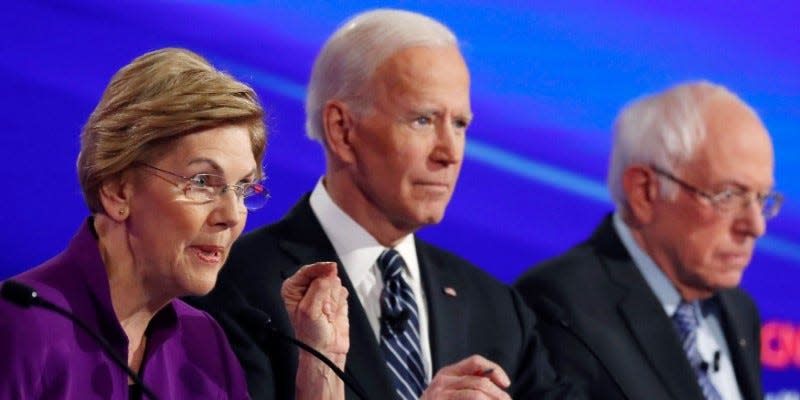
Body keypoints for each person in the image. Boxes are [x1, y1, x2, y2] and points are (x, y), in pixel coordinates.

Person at [188, 8, 581, 400]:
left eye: (460, 124)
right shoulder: (237, 289)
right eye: (423, 120)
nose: (450, 153)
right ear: (342, 130)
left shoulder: (496, 308)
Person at [0, 48, 348, 400]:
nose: (230, 215)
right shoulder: (19, 325)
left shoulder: (204, 344)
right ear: (118, 191)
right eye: (201, 182)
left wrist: (322, 364)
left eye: (243, 189)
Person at [514, 81, 778, 400]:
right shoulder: (559, 306)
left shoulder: (737, 307)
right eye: (729, 195)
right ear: (644, 192)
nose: (755, 225)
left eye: (761, 198)